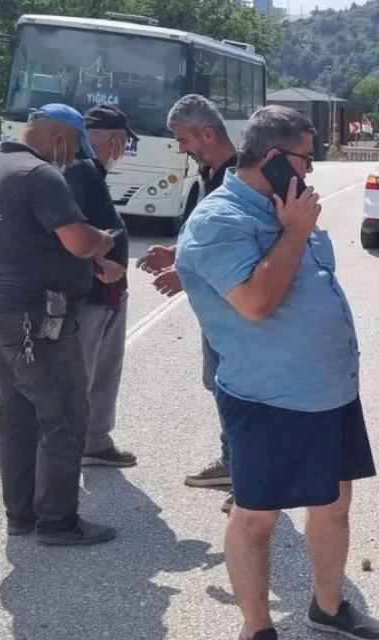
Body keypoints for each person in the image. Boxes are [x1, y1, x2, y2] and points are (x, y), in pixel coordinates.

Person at [175, 105, 379, 640]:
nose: (311, 171)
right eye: (305, 159)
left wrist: (295, 225)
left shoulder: (290, 205)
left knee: (335, 501)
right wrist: (294, 231)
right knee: (256, 516)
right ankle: (256, 627)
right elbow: (255, 301)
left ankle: (329, 607)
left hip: (329, 392)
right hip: (269, 399)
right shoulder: (220, 218)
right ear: (272, 158)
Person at [0, 104, 121, 545]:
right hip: (37, 321)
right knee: (65, 416)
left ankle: (20, 515)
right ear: (61, 138)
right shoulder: (40, 175)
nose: (73, 159)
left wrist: (89, 266)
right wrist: (101, 242)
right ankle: (57, 521)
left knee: (15, 415)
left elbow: (26, 243)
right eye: (75, 148)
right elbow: (76, 240)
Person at [136, 94, 240, 509]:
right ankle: (235, 463)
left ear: (207, 133)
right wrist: (176, 251)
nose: (180, 148)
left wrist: (187, 273)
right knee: (220, 386)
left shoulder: (241, 179)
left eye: (183, 140)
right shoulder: (212, 173)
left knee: (238, 390)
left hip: (237, 310)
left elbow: (239, 248)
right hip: (216, 310)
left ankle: (251, 480)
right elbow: (204, 236)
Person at [65, 104, 139, 468]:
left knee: (103, 370)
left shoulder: (86, 170)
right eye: (123, 142)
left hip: (105, 294)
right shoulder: (80, 171)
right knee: (86, 374)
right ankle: (78, 443)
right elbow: (66, 232)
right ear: (114, 140)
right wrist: (97, 266)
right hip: (92, 294)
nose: (123, 150)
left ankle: (94, 440)